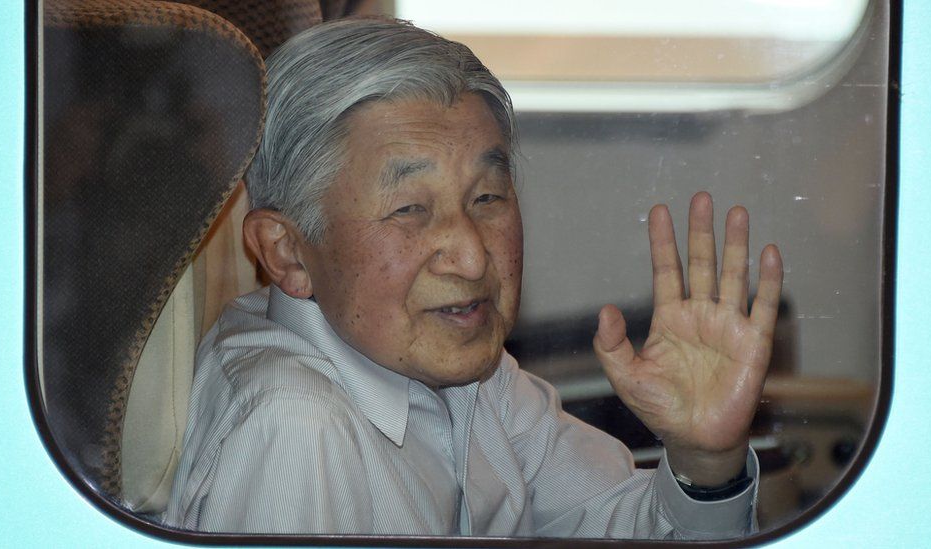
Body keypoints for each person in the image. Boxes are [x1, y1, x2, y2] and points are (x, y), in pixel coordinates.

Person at [165, 17, 783, 539]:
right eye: (410, 209)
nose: (472, 255)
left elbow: (611, 523)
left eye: (488, 197)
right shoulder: (295, 426)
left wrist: (707, 462)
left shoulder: (465, 372)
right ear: (288, 253)